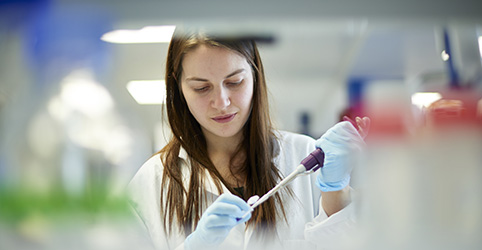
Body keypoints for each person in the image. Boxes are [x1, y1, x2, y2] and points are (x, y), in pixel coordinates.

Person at [127, 28, 370, 250]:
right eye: (202, 88)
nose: (221, 102)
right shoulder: (151, 182)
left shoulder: (303, 155)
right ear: (178, 86)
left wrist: (336, 191)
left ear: (254, 75)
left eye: (234, 82)